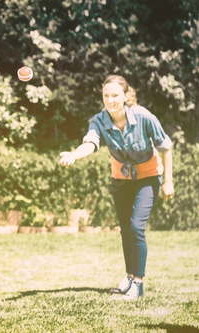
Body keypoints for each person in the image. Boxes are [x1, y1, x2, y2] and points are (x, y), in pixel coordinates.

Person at [58, 75, 174, 300]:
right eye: (106, 96)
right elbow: (90, 143)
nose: (110, 100)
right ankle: (129, 277)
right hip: (121, 178)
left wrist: (168, 182)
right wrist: (74, 155)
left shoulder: (143, 116)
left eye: (115, 95)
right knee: (125, 229)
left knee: (136, 227)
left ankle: (138, 284)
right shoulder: (99, 120)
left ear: (126, 96)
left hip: (148, 176)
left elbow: (166, 147)